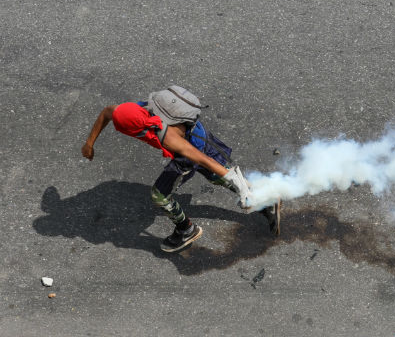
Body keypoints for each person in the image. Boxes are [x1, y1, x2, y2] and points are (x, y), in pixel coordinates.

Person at [81, 85, 280, 252]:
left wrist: (239, 185)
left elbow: (201, 159)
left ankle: (187, 230)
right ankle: (265, 200)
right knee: (213, 176)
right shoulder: (129, 111)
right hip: (196, 131)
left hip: (191, 147)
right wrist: (89, 143)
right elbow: (107, 112)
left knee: (160, 196)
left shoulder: (166, 137)